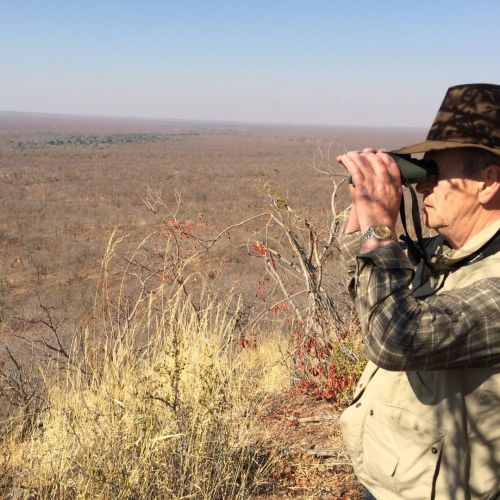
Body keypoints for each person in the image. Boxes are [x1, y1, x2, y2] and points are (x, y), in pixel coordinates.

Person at [336, 83, 500, 499]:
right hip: (390, 482)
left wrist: (380, 227)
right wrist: (366, 211)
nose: (423, 186)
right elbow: (362, 281)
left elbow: (397, 338)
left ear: (488, 182)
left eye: (435, 173)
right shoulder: (441, 251)